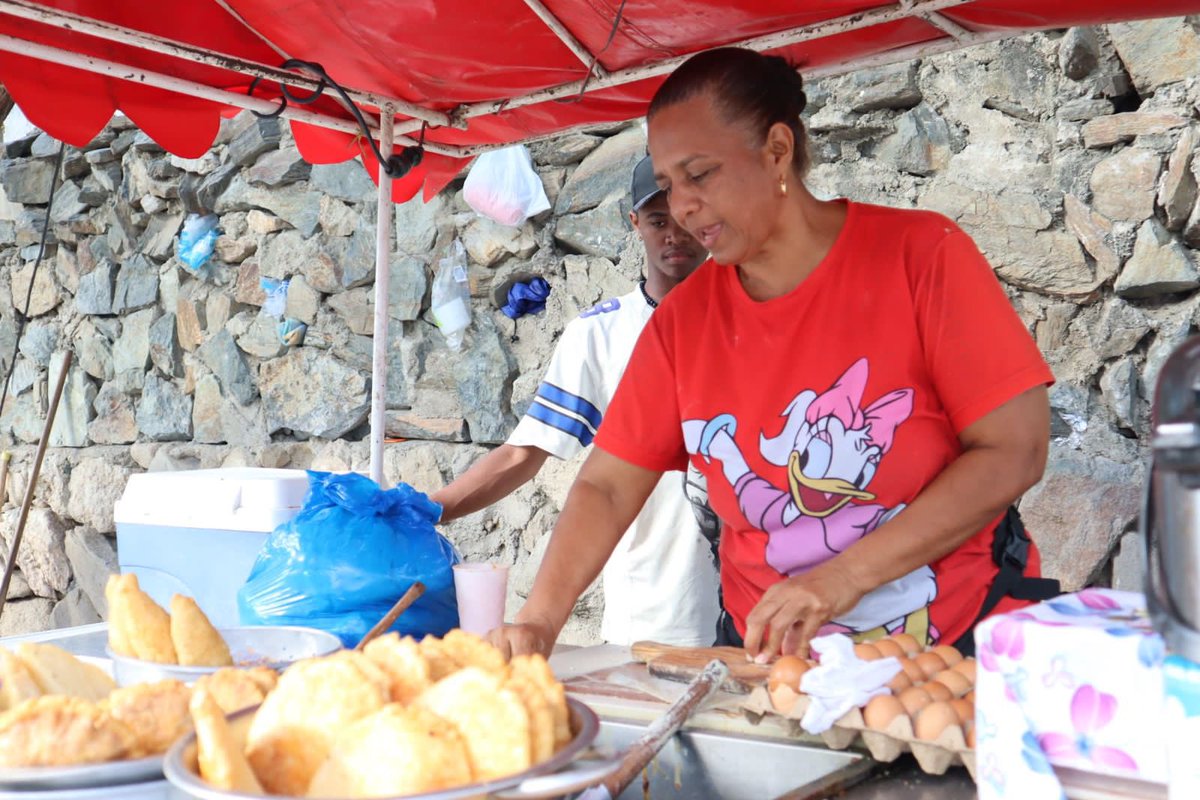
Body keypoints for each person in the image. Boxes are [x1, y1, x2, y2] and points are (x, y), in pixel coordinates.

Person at [491, 47, 1058, 662]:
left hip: (951, 650)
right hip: (770, 670)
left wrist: (842, 579)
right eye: (666, 185)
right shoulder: (686, 320)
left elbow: (1013, 451)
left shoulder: (923, 257)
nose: (681, 207)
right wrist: (540, 620)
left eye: (699, 174)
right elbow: (606, 485)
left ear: (778, 150)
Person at [432, 156, 721, 647]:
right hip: (656, 613)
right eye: (657, 220)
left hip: (753, 606)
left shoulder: (754, 320)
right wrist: (423, 509)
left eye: (686, 217)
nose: (674, 234)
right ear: (634, 223)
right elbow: (526, 452)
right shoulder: (601, 334)